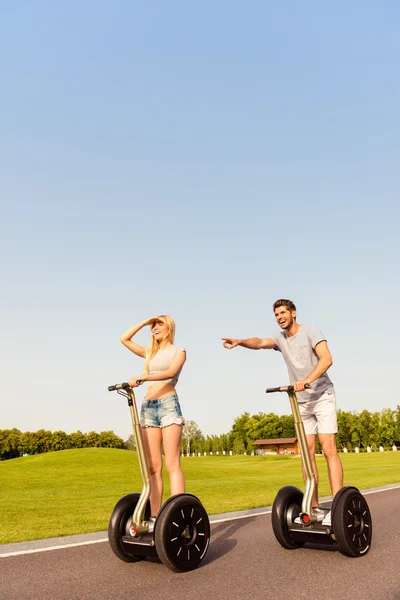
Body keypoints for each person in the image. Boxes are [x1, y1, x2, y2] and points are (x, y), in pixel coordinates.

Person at [222, 298, 343, 522]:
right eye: (276, 314)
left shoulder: (310, 331)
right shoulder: (280, 339)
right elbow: (259, 342)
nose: (280, 317)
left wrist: (306, 380)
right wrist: (239, 341)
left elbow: (327, 359)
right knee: (306, 455)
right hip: (302, 403)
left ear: (293, 313)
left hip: (322, 396)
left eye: (283, 313)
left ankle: (337, 508)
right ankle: (313, 507)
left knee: (329, 450)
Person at [120, 315, 186, 519]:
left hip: (168, 405)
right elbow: (124, 339)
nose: (155, 328)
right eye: (154, 326)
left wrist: (143, 376)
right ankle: (156, 518)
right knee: (153, 467)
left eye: (160, 324)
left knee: (171, 464)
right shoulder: (150, 353)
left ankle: (178, 513)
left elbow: (170, 372)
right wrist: (144, 322)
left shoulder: (179, 351)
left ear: (169, 328)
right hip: (148, 407)